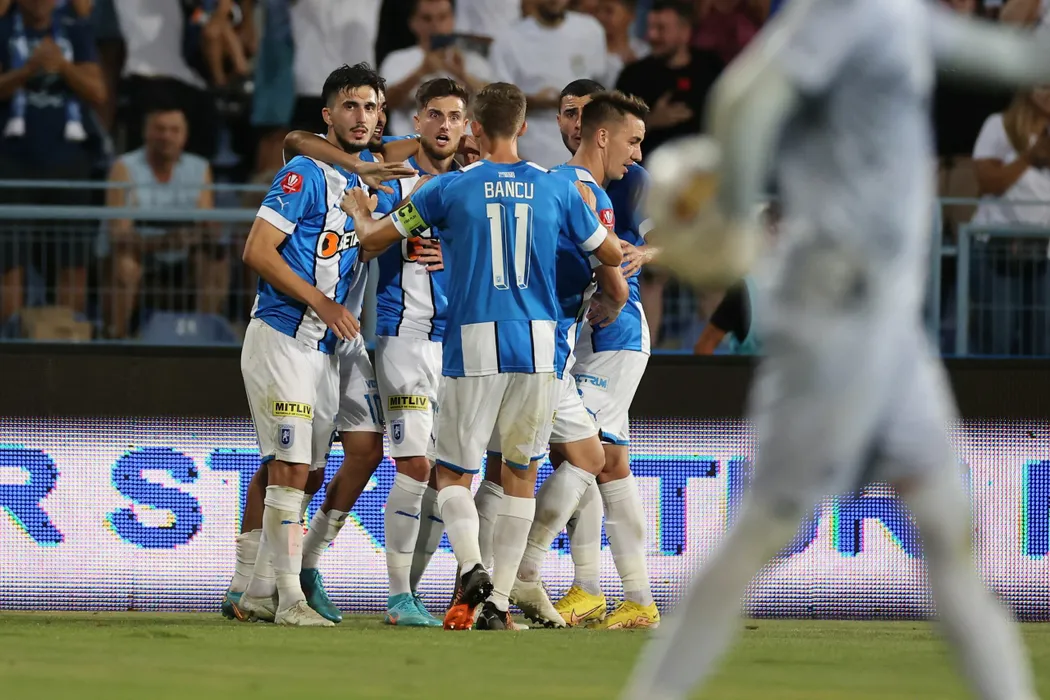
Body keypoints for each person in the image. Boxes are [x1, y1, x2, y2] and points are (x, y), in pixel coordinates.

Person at [622, 0, 1050, 697]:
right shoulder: (843, 10)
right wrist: (735, 211)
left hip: (890, 327)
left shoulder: (898, 15)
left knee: (948, 533)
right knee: (764, 530)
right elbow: (742, 101)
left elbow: (1012, 59)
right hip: (834, 316)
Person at [342, 81, 624, 631]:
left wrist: (358, 214)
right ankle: (496, 603)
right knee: (520, 474)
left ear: (473, 126)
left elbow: (375, 240)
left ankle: (473, 569)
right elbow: (609, 252)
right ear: (523, 127)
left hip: (473, 341)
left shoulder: (448, 189)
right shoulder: (557, 187)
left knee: (452, 474)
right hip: (539, 346)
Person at [229, 63, 406, 628]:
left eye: (371, 107)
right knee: (289, 465)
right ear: (328, 114)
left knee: (303, 471)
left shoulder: (367, 180)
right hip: (283, 334)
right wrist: (322, 303)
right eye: (350, 106)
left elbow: (355, 247)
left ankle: (254, 589)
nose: (361, 116)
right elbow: (257, 250)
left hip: (326, 350)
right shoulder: (303, 173)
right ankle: (289, 600)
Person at [0, 0, 105, 322]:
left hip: (69, 162)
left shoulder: (76, 31)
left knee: (72, 260)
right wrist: (27, 70)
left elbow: (98, 92)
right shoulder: (3, 30)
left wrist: (63, 66)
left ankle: (69, 336)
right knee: (7, 261)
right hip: (13, 161)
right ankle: (9, 340)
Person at [101, 105, 223, 340]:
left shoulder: (200, 168)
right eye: (159, 129)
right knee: (125, 264)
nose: (166, 136)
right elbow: (119, 233)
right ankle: (116, 339)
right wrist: (166, 242)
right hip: (139, 253)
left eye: (174, 130)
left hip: (184, 255)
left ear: (184, 136)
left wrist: (198, 235)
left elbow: (207, 224)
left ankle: (204, 336)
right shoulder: (123, 167)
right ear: (146, 132)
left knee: (215, 264)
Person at [489, 0, 607, 167]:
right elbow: (498, 104)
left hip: (583, 145)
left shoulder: (591, 31)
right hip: (531, 147)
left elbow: (603, 90)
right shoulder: (508, 39)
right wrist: (534, 102)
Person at [614, 0, 722, 161]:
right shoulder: (633, 75)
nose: (652, 35)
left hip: (704, 167)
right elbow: (614, 135)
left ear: (685, 32)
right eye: (650, 27)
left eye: (661, 28)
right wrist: (651, 121)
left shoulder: (711, 68)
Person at [379, 0, 491, 138]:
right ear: (413, 23)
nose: (435, 26)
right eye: (427, 19)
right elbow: (385, 103)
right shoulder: (397, 59)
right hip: (412, 144)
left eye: (442, 17)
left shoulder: (473, 61)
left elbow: (495, 102)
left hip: (465, 145)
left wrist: (462, 75)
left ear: (453, 19)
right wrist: (421, 72)